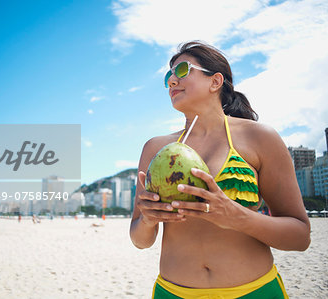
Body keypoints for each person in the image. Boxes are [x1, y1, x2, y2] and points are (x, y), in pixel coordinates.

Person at [130, 41, 310, 298]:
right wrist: (147, 220)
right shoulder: (156, 149)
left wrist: (236, 216)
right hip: (173, 292)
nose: (171, 80)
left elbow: (300, 236)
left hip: (254, 291)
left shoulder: (259, 138)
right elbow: (140, 240)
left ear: (215, 81)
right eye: (168, 75)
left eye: (181, 70)